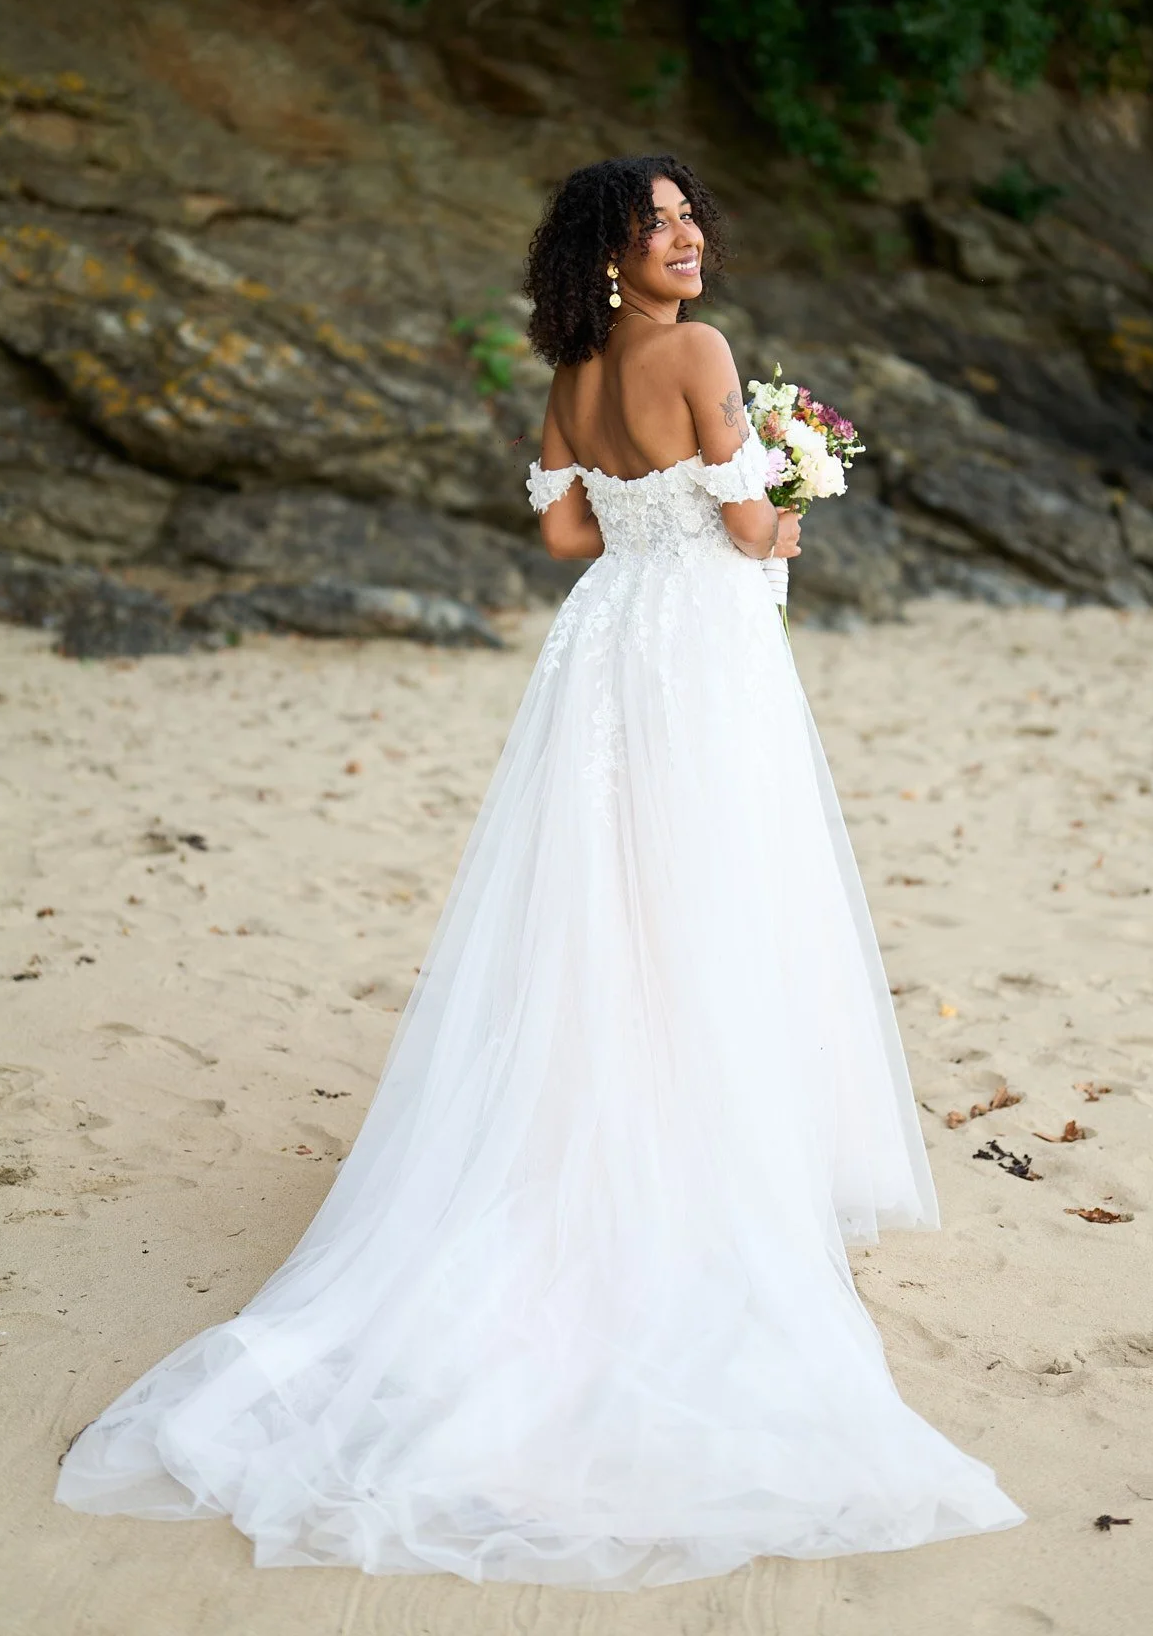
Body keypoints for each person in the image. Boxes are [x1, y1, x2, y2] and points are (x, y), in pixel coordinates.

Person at [56, 154, 1023, 1586]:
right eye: (660, 224)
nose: (689, 237)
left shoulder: (575, 374)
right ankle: (716, 1163)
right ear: (614, 253)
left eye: (695, 214)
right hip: (699, 647)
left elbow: (567, 530)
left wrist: (686, 500)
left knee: (608, 909)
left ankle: (612, 1134)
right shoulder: (699, 352)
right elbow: (748, 525)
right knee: (716, 897)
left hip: (606, 650)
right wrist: (784, 497)